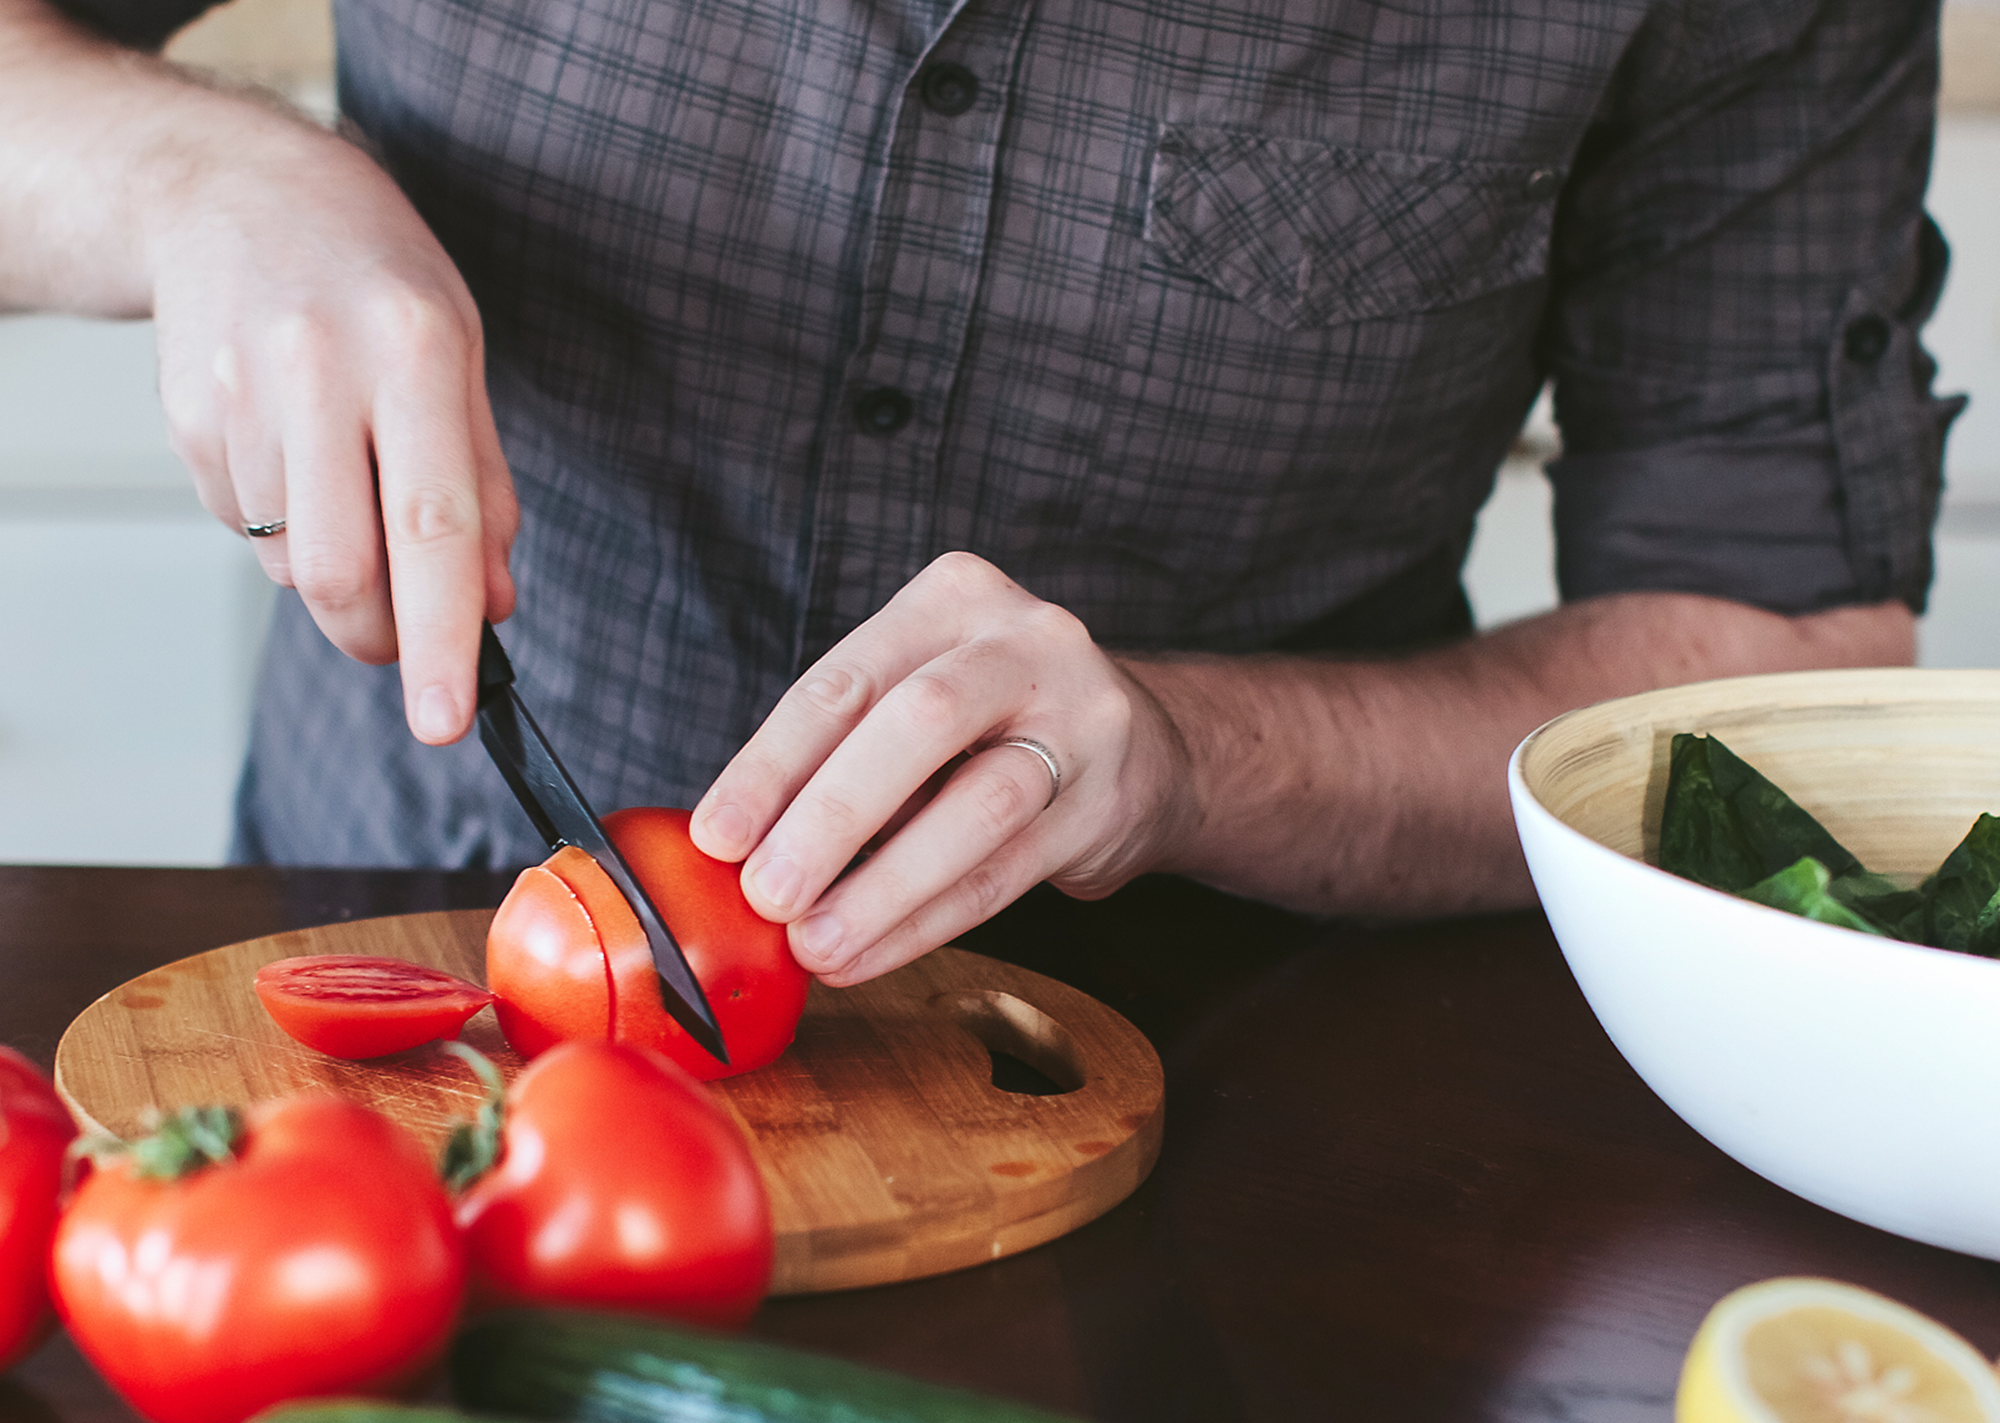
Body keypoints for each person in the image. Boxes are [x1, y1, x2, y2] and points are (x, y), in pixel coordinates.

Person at [0, 0, 1954, 987]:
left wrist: (1186, 751)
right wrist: (204, 182)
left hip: (1238, 1074)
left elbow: (1773, 658)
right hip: (394, 955)